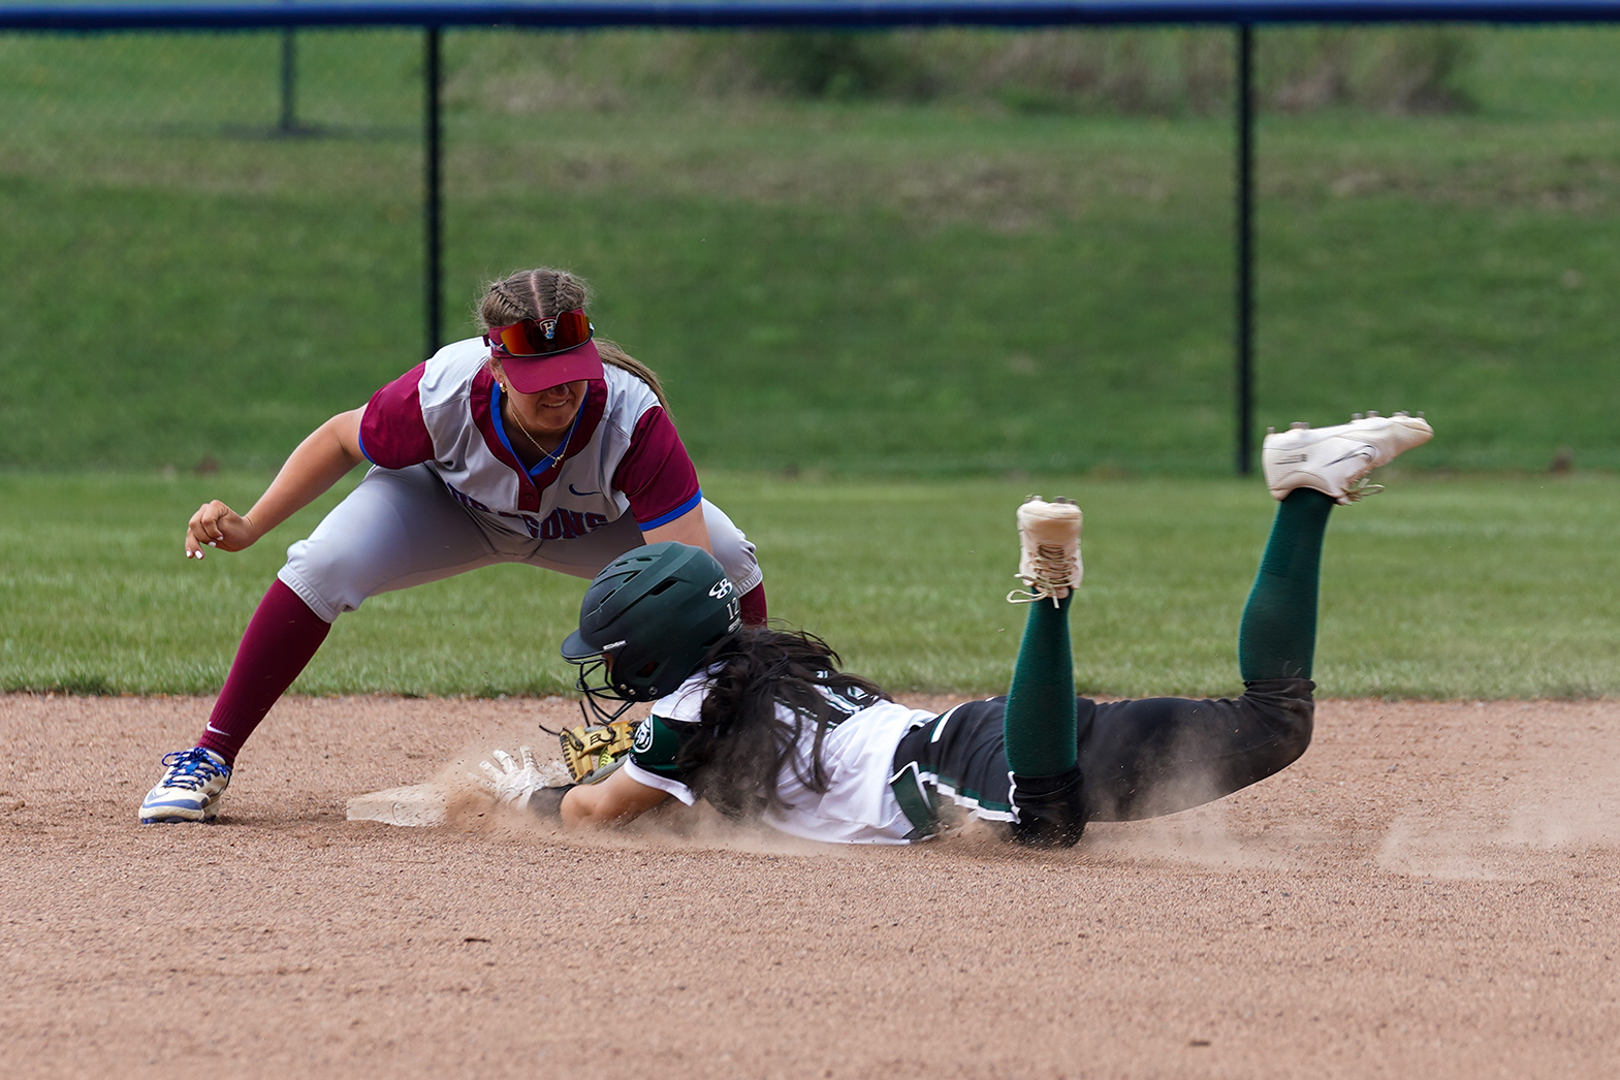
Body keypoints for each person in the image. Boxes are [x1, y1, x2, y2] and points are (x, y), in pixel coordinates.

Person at [481, 412, 1433, 846]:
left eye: (614, 660)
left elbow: (596, 815)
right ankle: (1306, 487)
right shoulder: (762, 663)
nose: (609, 676)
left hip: (971, 766)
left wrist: (529, 795)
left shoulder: (686, 720)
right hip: (986, 730)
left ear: (654, 653)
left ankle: (1048, 594)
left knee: (1046, 819)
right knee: (1277, 720)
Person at [140, 267, 767, 824]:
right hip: (448, 511)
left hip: (589, 527)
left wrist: (670, 721)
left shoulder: (632, 416)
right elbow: (339, 440)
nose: (560, 391)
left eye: (572, 372)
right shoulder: (441, 390)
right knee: (322, 564)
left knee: (728, 561)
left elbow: (694, 579)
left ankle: (745, 746)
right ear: (495, 368)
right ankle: (208, 756)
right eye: (538, 377)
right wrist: (250, 526)